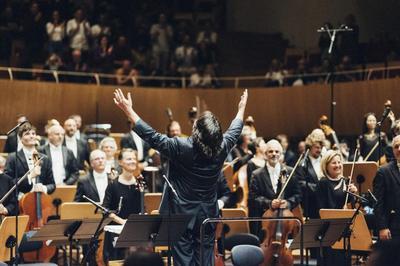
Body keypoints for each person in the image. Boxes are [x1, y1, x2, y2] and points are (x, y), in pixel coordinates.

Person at [113, 88, 248, 265]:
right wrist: (241, 108)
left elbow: (151, 136)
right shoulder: (222, 146)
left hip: (181, 216)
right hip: (208, 214)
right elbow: (235, 130)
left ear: (196, 131)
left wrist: (128, 110)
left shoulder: (181, 146)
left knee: (183, 261)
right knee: (205, 261)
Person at [248, 139, 302, 240]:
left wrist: (288, 203)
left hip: (285, 219)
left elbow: (298, 195)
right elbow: (252, 198)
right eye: (270, 151)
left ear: (281, 154)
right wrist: (269, 203)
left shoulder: (290, 171)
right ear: (265, 154)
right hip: (265, 222)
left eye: (277, 151)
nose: (274, 154)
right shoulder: (257, 174)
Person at [316, 150, 358, 266]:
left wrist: (353, 194)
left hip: (344, 229)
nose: (338, 165)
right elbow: (321, 208)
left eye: (339, 162)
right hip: (328, 229)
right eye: (334, 163)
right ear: (326, 165)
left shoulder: (346, 181)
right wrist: (338, 212)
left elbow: (353, 207)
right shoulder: (323, 183)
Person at [102, 148, 143, 262]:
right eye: (129, 158)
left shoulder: (140, 185)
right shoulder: (113, 185)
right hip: (116, 232)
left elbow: (143, 208)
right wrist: (123, 222)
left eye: (134, 158)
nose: (133, 161)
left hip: (135, 233)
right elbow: (105, 210)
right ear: (120, 162)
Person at [5, 122, 55, 195]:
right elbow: (8, 183)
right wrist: (30, 176)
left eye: (33, 133)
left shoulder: (44, 158)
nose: (31, 136)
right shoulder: (13, 158)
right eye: (27, 134)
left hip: (41, 199)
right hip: (20, 199)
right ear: (21, 139)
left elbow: (52, 184)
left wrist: (44, 188)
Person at [373, 135, 400, 241]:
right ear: (392, 150)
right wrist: (382, 227)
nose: (399, 149)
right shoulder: (383, 172)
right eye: (396, 146)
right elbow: (378, 202)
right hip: (394, 227)